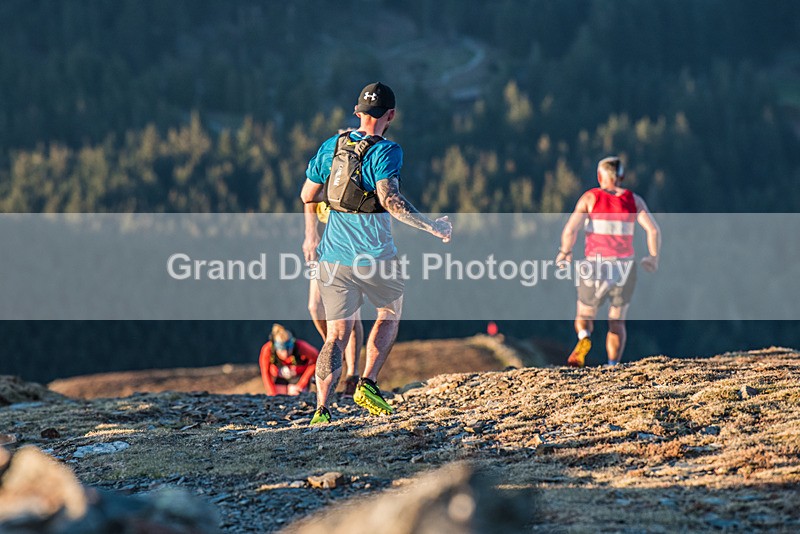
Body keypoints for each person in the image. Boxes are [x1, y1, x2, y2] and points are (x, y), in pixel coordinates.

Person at [300, 81, 452, 424]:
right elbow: (391, 201)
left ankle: (322, 409)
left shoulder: (331, 146)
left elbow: (307, 194)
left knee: (336, 335)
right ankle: (367, 383)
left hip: (333, 259)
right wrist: (432, 226)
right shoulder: (387, 151)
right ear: (391, 115)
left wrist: (311, 236)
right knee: (389, 312)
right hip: (376, 257)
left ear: (357, 113)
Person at [556, 156, 661, 367]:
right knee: (617, 320)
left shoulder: (590, 198)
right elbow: (653, 229)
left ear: (599, 176)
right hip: (624, 267)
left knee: (584, 313)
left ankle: (584, 336)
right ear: (621, 176)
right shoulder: (634, 200)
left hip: (594, 264)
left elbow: (570, 229)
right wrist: (653, 257)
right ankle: (613, 364)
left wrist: (565, 252)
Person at [303, 197, 363, 397]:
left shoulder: (354, 166)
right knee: (315, 306)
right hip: (324, 238)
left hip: (351, 241)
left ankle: (352, 376)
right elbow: (309, 198)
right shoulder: (322, 165)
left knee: (352, 313)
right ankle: (334, 352)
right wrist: (310, 234)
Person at [258, 323, 319, 396]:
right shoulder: (267, 349)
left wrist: (302, 384)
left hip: (298, 377)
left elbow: (317, 361)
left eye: (288, 348)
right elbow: (265, 372)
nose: (286, 353)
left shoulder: (301, 347)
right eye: (281, 350)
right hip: (279, 378)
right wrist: (272, 392)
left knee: (297, 396)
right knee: (278, 398)